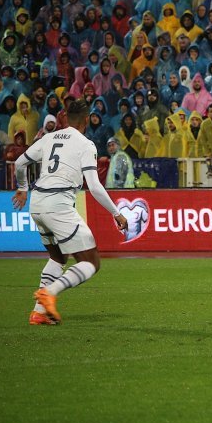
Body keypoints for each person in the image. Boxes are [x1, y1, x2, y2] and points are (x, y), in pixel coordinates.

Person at [12, 100, 128, 325]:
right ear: (86, 120)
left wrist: (22, 188)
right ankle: (50, 293)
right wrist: (117, 213)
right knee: (91, 262)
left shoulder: (48, 137)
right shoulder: (86, 144)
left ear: (65, 118)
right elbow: (94, 186)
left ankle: (38, 313)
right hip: (58, 204)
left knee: (57, 257)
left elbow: (18, 163)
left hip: (36, 203)